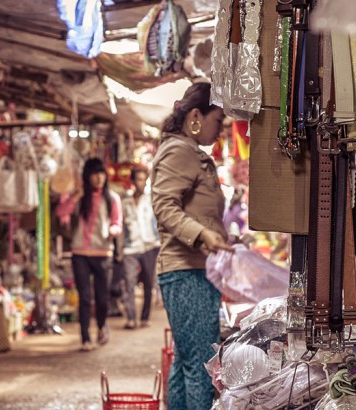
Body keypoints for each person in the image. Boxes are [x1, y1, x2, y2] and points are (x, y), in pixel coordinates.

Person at [151, 82, 232, 410]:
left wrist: (220, 236)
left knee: (188, 361)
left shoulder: (187, 152)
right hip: (187, 272)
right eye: (219, 121)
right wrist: (202, 235)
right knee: (200, 365)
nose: (221, 130)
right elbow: (164, 206)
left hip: (193, 271)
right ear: (196, 116)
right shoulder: (179, 151)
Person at [56, 158, 123, 351]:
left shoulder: (112, 198)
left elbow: (117, 222)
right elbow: (61, 212)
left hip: (103, 253)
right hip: (80, 253)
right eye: (95, 174)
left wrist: (114, 230)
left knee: (102, 298)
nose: (99, 178)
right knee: (84, 298)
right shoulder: (79, 198)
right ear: (88, 176)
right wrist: (76, 197)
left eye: (101, 173)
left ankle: (101, 326)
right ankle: (85, 338)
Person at [121, 166, 160, 329]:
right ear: (132, 181)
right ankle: (131, 318)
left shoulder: (152, 200)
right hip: (130, 248)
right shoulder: (125, 203)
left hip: (150, 245)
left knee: (148, 282)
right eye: (138, 179)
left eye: (144, 180)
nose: (141, 183)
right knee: (129, 282)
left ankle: (145, 317)